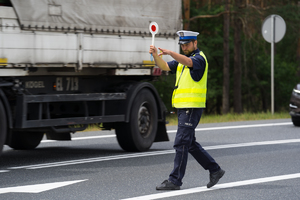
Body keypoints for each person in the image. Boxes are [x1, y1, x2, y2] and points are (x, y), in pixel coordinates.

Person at [149, 30, 225, 190]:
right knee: (189, 143)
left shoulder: (199, 59)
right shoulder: (182, 60)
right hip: (184, 108)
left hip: (192, 107)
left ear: (195, 43)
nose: (184, 47)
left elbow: (188, 62)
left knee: (181, 142)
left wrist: (171, 52)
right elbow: (164, 66)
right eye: (182, 45)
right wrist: (156, 55)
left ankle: (175, 180)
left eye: (187, 44)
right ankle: (215, 170)